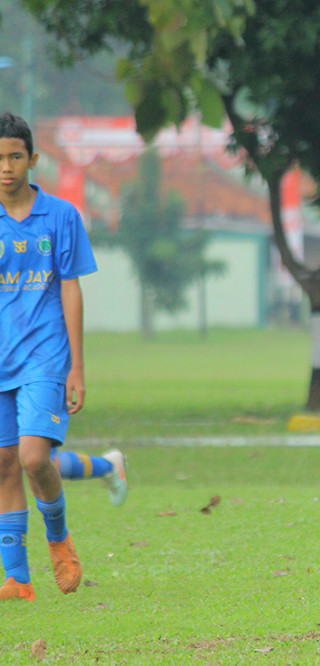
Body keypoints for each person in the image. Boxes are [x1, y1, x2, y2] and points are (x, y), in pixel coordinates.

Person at [0, 112, 125, 602]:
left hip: (45, 357)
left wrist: (77, 365)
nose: (6, 167)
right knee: (5, 463)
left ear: (32, 160)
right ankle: (17, 579)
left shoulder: (62, 216)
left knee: (33, 458)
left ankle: (59, 538)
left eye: (14, 157)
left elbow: (70, 290)